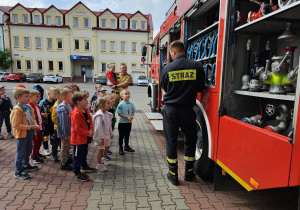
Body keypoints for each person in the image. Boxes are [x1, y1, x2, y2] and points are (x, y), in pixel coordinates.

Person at [160, 40, 205, 185]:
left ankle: (173, 175)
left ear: (173, 52)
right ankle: (188, 173)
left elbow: (165, 87)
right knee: (190, 140)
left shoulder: (167, 68)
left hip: (171, 110)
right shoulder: (197, 66)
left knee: (171, 141)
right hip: (188, 110)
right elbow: (200, 88)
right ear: (183, 50)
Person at [10, 88, 39, 180]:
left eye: (29, 96)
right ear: (18, 97)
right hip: (22, 134)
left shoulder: (28, 107)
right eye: (26, 96)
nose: (28, 98)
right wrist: (30, 127)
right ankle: (18, 171)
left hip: (29, 133)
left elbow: (33, 117)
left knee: (28, 149)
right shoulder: (17, 110)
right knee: (21, 152)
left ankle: (25, 165)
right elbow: (16, 124)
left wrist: (35, 124)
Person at [70, 92, 96, 181]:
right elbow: (77, 128)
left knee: (84, 153)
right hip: (78, 139)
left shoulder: (85, 110)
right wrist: (87, 133)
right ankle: (77, 172)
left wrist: (91, 130)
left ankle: (84, 167)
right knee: (78, 156)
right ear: (78, 102)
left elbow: (90, 121)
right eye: (85, 99)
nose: (87, 101)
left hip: (86, 138)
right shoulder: (76, 113)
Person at [93, 96, 113, 172]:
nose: (110, 105)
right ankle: (99, 164)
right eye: (108, 103)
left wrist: (111, 133)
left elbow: (108, 124)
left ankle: (104, 158)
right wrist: (101, 138)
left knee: (107, 146)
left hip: (107, 134)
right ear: (101, 104)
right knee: (101, 149)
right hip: (102, 136)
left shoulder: (108, 114)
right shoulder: (99, 115)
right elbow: (99, 127)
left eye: (110, 103)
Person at [56, 88, 73, 171]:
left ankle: (68, 158)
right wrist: (66, 134)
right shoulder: (63, 108)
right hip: (65, 132)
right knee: (64, 146)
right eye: (70, 96)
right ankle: (63, 163)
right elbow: (64, 123)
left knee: (68, 146)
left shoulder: (68, 105)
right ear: (64, 97)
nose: (72, 97)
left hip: (69, 131)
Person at [116, 89, 135, 155]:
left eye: (128, 93)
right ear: (122, 96)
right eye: (126, 94)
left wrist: (132, 116)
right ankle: (120, 148)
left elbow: (133, 111)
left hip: (129, 123)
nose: (128, 95)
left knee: (127, 134)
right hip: (122, 123)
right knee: (121, 135)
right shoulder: (121, 104)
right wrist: (127, 117)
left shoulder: (131, 103)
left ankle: (126, 146)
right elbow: (119, 113)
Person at [28, 90, 45, 164]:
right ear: (30, 97)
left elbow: (38, 115)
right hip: (35, 128)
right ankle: (33, 156)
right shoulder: (29, 106)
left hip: (40, 127)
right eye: (36, 97)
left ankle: (36, 153)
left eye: (39, 97)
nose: (38, 98)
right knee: (35, 142)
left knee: (39, 141)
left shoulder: (37, 105)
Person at [39, 87, 56, 156]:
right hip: (46, 122)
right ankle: (46, 149)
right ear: (48, 94)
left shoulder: (55, 102)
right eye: (54, 93)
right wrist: (42, 114)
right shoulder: (43, 102)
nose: (55, 94)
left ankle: (53, 147)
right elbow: (38, 111)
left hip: (53, 122)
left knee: (53, 135)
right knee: (45, 136)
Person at [51, 87, 62, 163]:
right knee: (56, 142)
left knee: (61, 142)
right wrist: (60, 124)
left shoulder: (61, 104)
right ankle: (54, 155)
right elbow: (54, 118)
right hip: (57, 127)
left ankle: (64, 154)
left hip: (61, 127)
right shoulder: (56, 106)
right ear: (58, 96)